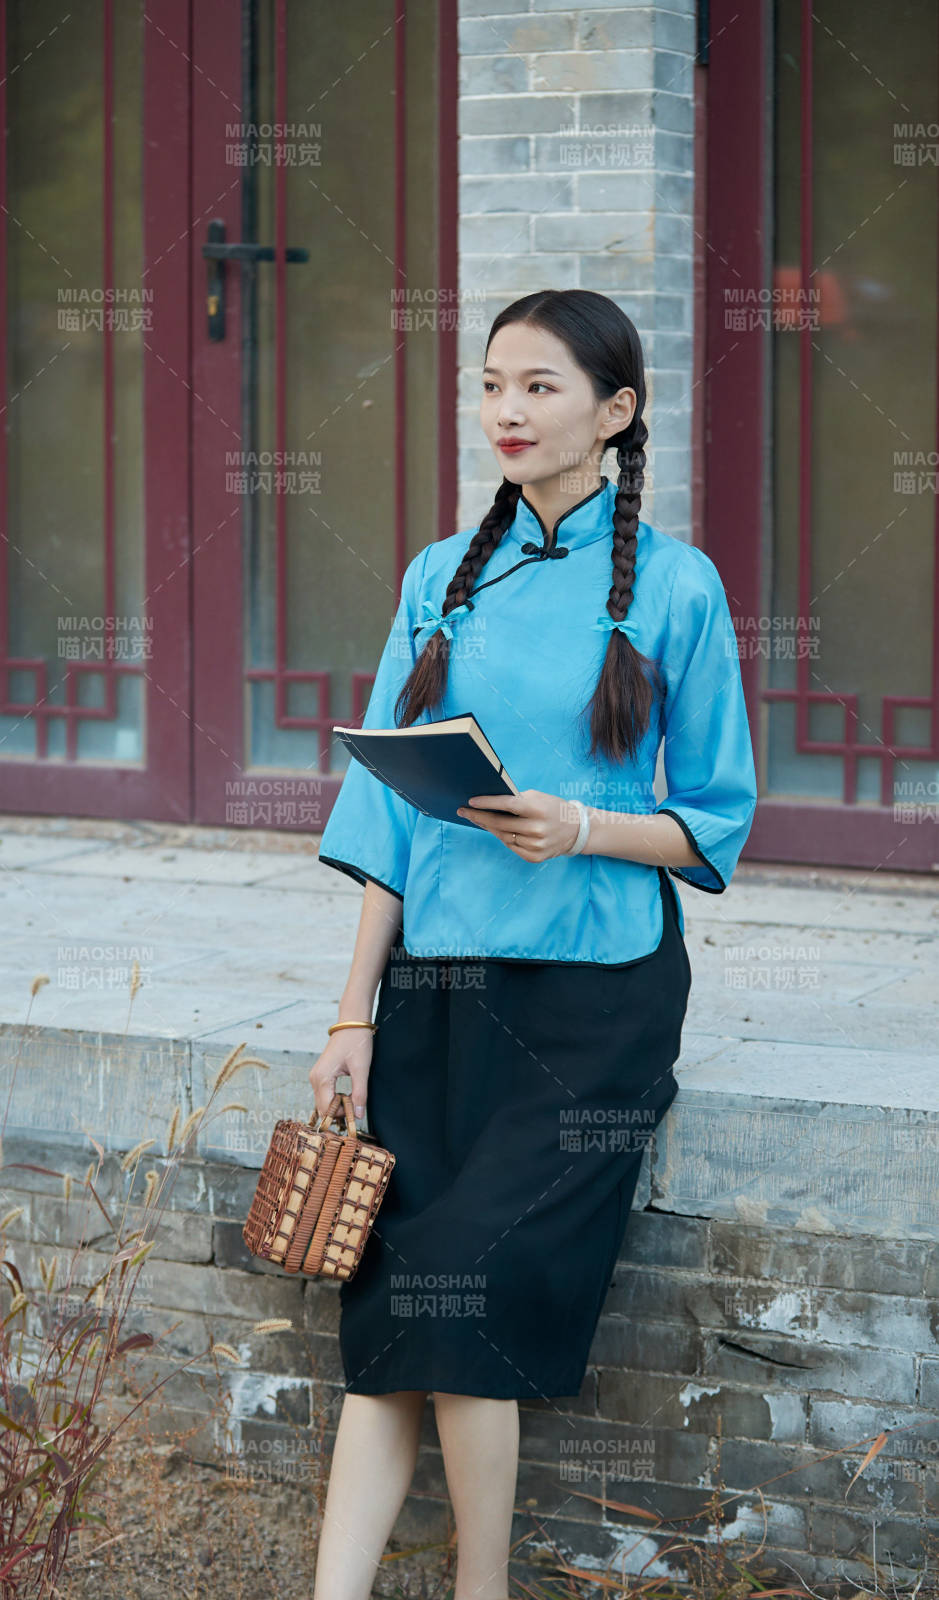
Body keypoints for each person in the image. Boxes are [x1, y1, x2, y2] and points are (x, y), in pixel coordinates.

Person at [308, 288, 758, 1600]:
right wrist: (350, 1015)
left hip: (595, 1000)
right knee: (397, 1304)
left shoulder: (680, 589)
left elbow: (716, 822)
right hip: (438, 989)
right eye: (492, 383)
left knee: (455, 1281)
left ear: (616, 414)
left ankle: (480, 1589)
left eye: (541, 387)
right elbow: (391, 818)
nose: (505, 410)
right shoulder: (436, 577)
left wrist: (581, 827)